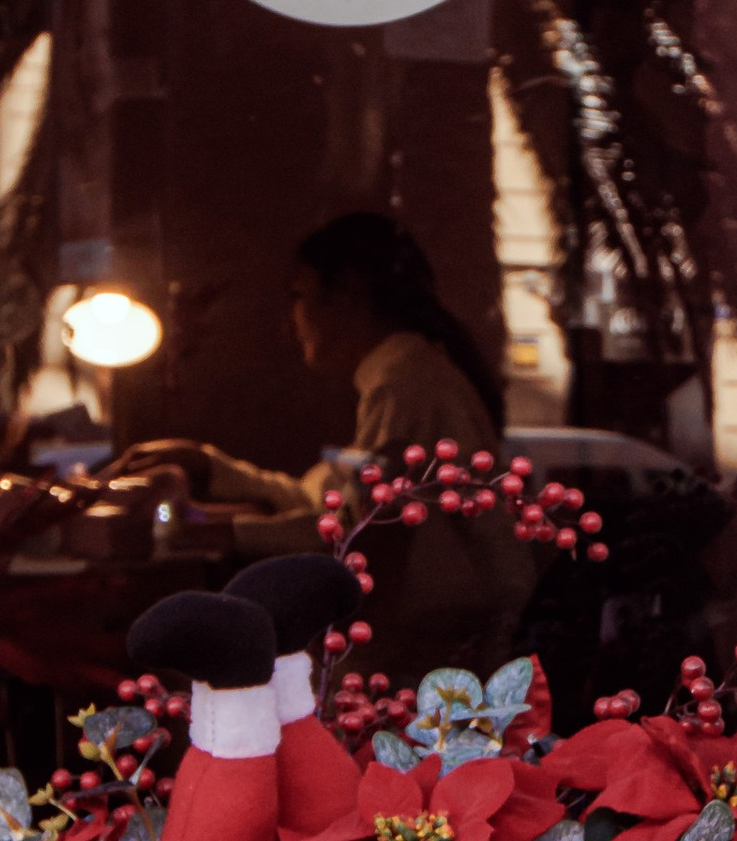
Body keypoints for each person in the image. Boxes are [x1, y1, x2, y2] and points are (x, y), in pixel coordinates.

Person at [115, 214, 531, 673]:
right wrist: (208, 464)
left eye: (298, 296)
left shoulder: (406, 387)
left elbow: (359, 530)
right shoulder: (402, 379)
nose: (289, 326)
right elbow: (326, 503)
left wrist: (223, 534)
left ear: (349, 293)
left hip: (436, 660)